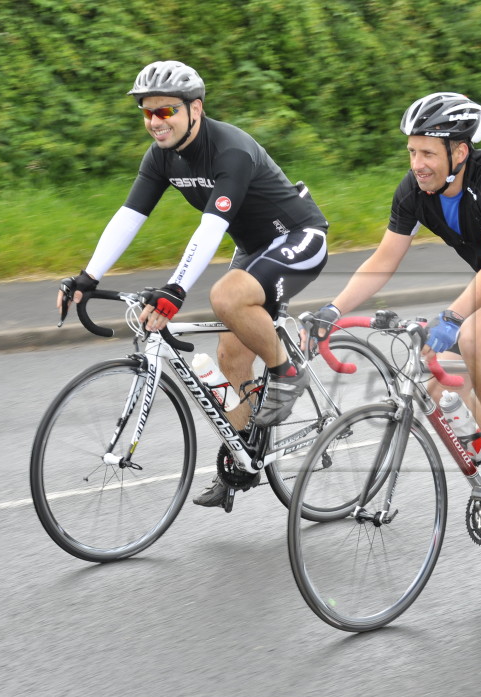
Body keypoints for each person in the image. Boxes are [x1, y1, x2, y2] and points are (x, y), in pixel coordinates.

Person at [57, 60, 330, 509]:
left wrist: (174, 291)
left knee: (225, 297)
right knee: (229, 353)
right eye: (146, 112)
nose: (153, 121)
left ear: (195, 109)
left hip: (297, 236)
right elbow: (129, 216)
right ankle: (244, 457)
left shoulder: (231, 150)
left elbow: (210, 229)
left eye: (165, 112)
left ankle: (287, 371)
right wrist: (88, 277)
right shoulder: (161, 156)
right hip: (253, 248)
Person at [309, 92, 481, 505]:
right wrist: (333, 309)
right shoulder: (415, 190)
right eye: (412, 152)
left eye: (427, 153)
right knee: (441, 384)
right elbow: (384, 259)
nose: (417, 164)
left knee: (472, 338)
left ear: (460, 151)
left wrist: (452, 316)